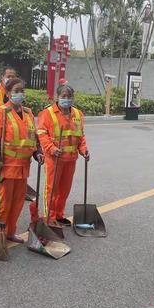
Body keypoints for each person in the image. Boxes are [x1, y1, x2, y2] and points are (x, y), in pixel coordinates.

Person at [0, 78, 44, 243]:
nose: (20, 94)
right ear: (8, 93)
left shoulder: (28, 113)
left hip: (22, 167)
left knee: (17, 203)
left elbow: (33, 137)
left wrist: (37, 152)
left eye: (22, 91)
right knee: (2, 204)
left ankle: (10, 232)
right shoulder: (0, 112)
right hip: (5, 166)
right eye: (16, 91)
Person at [37, 84, 89, 226]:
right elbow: (41, 133)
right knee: (52, 189)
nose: (66, 99)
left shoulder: (78, 114)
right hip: (55, 158)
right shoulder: (47, 113)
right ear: (57, 97)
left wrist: (83, 150)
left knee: (64, 189)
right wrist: (51, 148)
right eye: (63, 96)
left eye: (69, 97)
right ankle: (50, 217)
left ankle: (59, 215)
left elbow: (80, 135)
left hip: (71, 158)